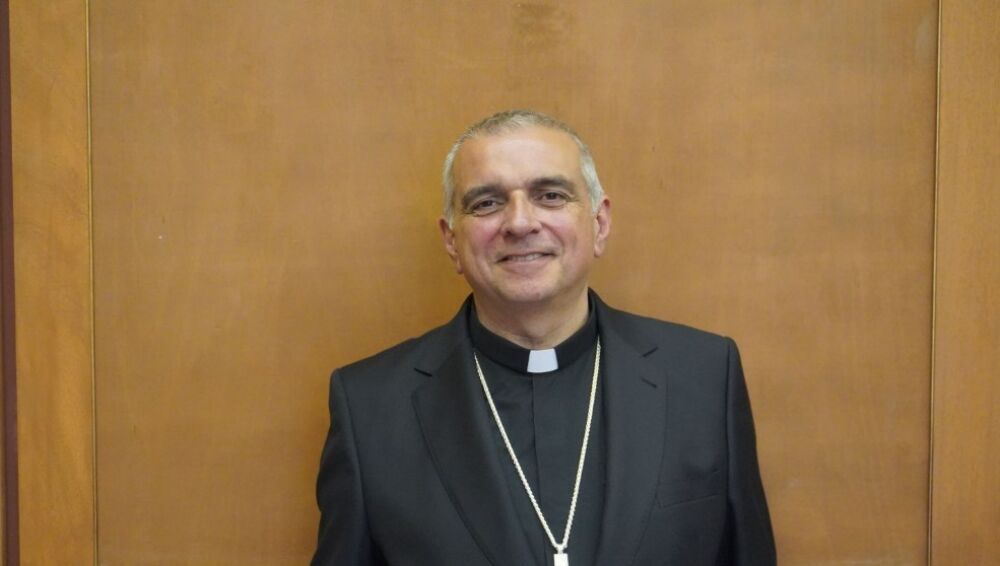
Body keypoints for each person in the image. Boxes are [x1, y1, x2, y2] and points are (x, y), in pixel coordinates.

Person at [312, 110, 776, 566]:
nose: (520, 223)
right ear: (452, 240)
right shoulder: (370, 408)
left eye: (551, 196)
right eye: (486, 203)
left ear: (599, 223)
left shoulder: (705, 377)